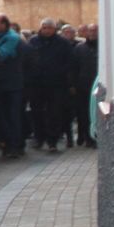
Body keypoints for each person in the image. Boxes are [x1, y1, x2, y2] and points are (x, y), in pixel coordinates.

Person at [25, 18, 74, 152]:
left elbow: (69, 62)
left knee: (54, 112)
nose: (46, 30)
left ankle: (53, 140)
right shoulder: (33, 42)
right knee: (36, 112)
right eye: (44, 28)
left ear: (54, 29)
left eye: (49, 28)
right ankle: (39, 138)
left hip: (56, 84)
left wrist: (61, 74)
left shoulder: (62, 43)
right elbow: (27, 60)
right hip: (36, 84)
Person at [0, 14, 25, 158]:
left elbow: (0, 56)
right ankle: (5, 142)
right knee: (1, 116)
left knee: (13, 116)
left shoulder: (12, 38)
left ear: (5, 24)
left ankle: (15, 144)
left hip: (12, 84)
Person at [70, 24, 99, 148]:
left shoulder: (103, 47)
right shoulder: (79, 48)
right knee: (83, 113)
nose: (92, 33)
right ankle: (86, 137)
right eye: (90, 31)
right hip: (83, 86)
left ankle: (94, 137)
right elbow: (73, 68)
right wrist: (72, 84)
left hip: (98, 85)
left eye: (95, 30)